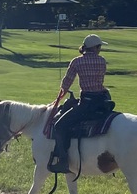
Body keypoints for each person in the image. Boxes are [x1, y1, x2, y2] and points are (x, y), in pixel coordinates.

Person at [47, 33, 111, 173]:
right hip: (102, 101)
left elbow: (66, 84)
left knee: (59, 126)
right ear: (95, 47)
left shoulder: (77, 62)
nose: (100, 49)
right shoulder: (102, 61)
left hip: (87, 103)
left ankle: (63, 162)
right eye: (99, 46)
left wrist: (60, 95)